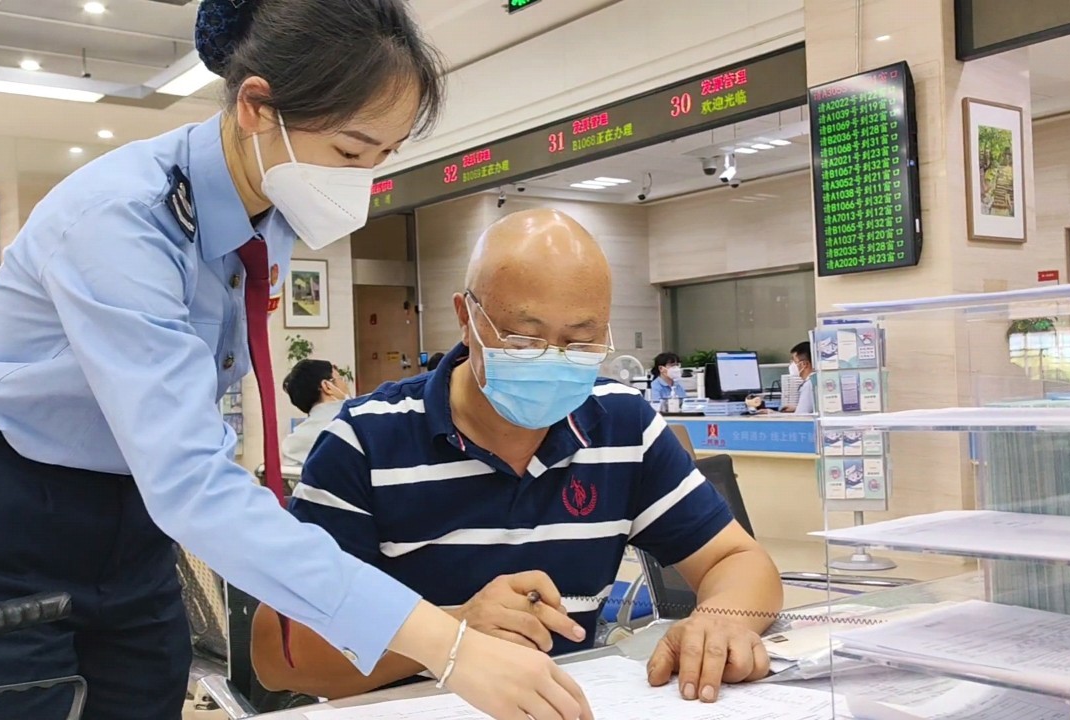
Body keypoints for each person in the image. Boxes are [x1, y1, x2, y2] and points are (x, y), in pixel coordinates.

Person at [0, 3, 592, 720]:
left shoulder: (268, 205)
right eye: (351, 152)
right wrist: (448, 646)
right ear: (257, 106)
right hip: (5, 507)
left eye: (384, 156)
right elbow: (191, 480)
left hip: (132, 513)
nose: (363, 179)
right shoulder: (121, 221)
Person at [251, 210, 784, 703]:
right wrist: (453, 633)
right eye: (524, 341)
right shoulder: (366, 440)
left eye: (580, 342)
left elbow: (738, 560)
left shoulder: (623, 425)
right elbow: (280, 655)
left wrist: (721, 620)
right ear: (466, 318)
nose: (553, 360)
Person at [282, 359, 351, 465]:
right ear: (327, 386)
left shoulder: (291, 443)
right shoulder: (356, 423)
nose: (345, 385)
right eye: (340, 379)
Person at [778, 341, 815, 414]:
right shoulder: (814, 381)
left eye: (794, 361)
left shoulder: (808, 385)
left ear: (804, 364)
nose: (791, 365)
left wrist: (773, 414)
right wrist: (796, 408)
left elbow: (801, 417)